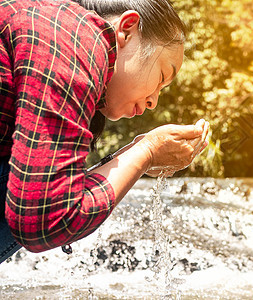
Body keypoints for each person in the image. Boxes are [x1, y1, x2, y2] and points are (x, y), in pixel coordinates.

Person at [0, 0, 209, 264]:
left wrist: (135, 154)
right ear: (128, 29)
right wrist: (146, 152)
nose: (153, 101)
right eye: (161, 77)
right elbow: (46, 219)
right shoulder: (72, 35)